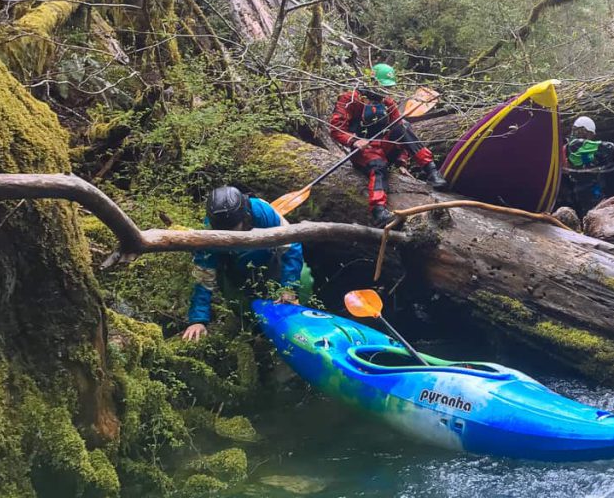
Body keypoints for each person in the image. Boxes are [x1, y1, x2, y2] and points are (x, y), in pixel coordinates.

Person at [181, 186, 310, 342]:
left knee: (299, 284)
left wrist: (289, 289)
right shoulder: (209, 232)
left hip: (268, 261)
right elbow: (204, 276)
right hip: (235, 272)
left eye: (234, 230)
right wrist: (198, 320)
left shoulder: (263, 212)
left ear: (245, 217)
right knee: (243, 310)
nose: (230, 236)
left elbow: (291, 247)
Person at [330, 63, 447, 226]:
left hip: (384, 146)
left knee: (403, 125)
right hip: (364, 151)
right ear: (371, 80)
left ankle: (432, 171)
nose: (384, 90)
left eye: (386, 87)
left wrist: (401, 161)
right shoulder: (350, 99)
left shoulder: (387, 103)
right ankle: (379, 211)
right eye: (381, 85)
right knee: (379, 166)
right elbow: (335, 129)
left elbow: (400, 133)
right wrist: (354, 140)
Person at [564, 116, 614, 215]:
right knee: (596, 211)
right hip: (587, 187)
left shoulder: (574, 145)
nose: (591, 137)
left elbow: (586, 161)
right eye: (590, 134)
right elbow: (609, 146)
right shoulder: (578, 144)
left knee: (591, 211)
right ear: (583, 130)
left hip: (585, 186)